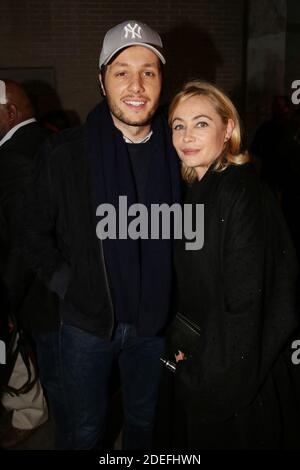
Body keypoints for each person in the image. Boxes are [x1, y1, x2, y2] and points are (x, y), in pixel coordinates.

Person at [21, 20, 180, 450]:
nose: (136, 85)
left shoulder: (180, 150)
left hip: (155, 324)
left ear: (162, 79)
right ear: (101, 80)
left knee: (146, 423)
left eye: (149, 71)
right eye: (121, 71)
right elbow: (32, 232)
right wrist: (72, 286)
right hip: (87, 326)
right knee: (85, 432)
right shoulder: (63, 154)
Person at [158, 80, 299, 449]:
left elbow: (247, 304)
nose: (187, 135)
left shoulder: (240, 192)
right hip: (205, 361)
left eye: (201, 123)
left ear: (228, 129)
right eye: (178, 125)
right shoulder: (199, 189)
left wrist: (201, 376)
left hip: (234, 381)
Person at [0, 80, 50, 448]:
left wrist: (8, 302)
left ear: (10, 113)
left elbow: (23, 243)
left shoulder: (16, 156)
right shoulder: (42, 140)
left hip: (30, 288)